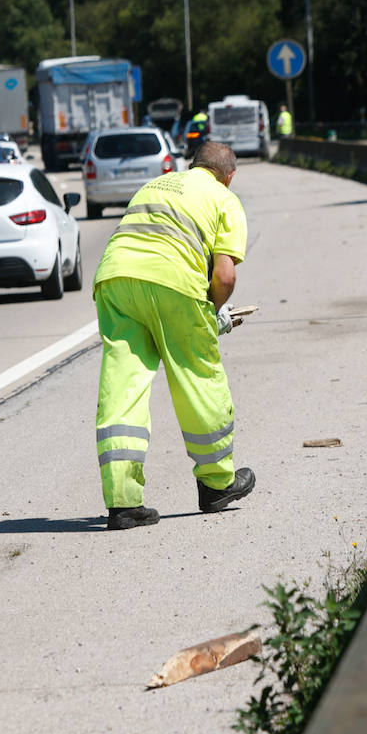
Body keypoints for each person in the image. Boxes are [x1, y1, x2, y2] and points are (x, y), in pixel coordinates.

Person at [92, 142, 255, 530]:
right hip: (174, 284)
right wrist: (213, 313)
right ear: (229, 176)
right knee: (198, 377)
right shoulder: (224, 198)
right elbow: (225, 276)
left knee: (122, 385)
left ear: (190, 164)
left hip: (115, 280)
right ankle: (217, 485)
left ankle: (123, 503)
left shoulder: (157, 185)